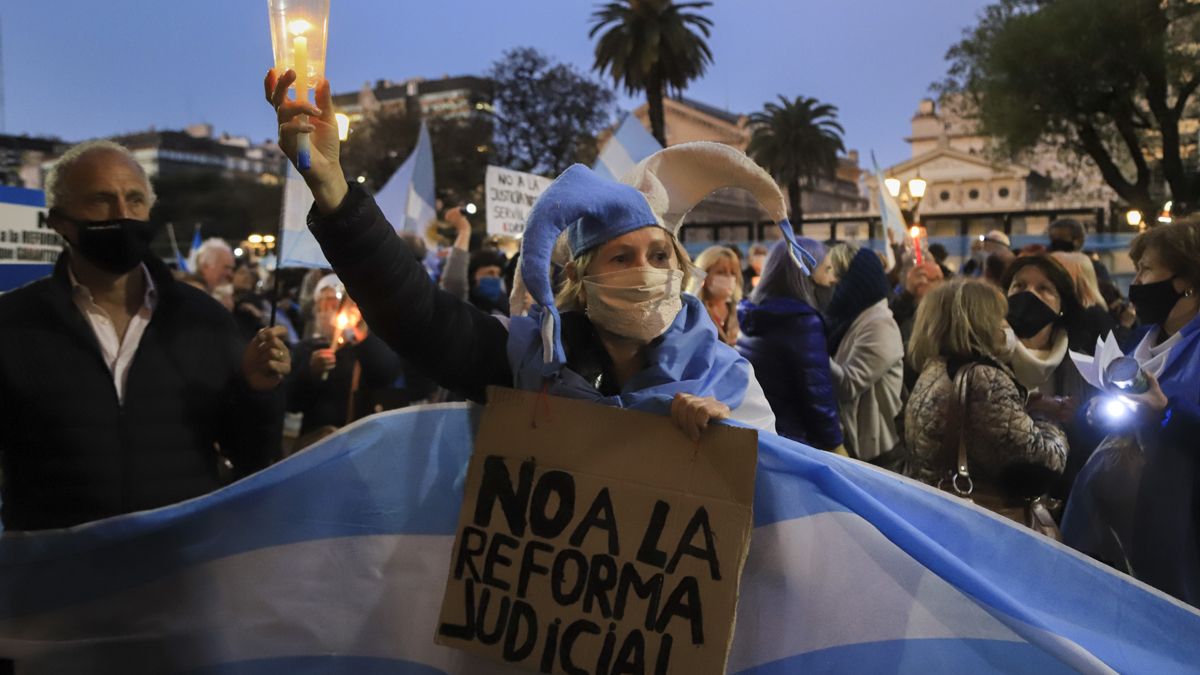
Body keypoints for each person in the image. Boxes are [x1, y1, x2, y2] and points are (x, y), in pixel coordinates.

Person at [266, 70, 795, 439]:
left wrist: (728, 439)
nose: (646, 274)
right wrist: (333, 187)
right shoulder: (528, 362)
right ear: (578, 280)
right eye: (621, 258)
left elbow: (778, 501)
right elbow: (418, 316)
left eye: (660, 257)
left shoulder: (728, 379)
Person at [0, 140, 291, 531]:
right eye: (102, 200)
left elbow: (252, 456)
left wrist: (259, 392)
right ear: (60, 222)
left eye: (135, 199)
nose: (123, 213)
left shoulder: (203, 319)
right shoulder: (14, 324)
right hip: (59, 577)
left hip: (180, 567)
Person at [1062, 221, 1200, 607]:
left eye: (1147, 269)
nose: (1136, 281)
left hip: (1181, 530)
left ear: (1185, 281)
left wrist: (1168, 415)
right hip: (1121, 523)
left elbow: (1175, 418)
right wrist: (1091, 413)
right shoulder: (1142, 338)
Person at [904, 279, 1068, 521]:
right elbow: (1042, 464)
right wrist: (1048, 420)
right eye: (999, 317)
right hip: (984, 521)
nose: (1006, 326)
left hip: (938, 512)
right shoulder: (983, 378)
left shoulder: (935, 368)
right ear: (981, 322)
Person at [736, 240, 843, 451]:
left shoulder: (755, 314)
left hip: (764, 433)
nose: (832, 279)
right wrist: (837, 445)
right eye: (827, 269)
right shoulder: (802, 322)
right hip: (794, 440)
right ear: (804, 274)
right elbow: (817, 395)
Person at [823, 243, 904, 462]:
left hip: (876, 452)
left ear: (855, 280)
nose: (831, 283)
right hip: (856, 443)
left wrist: (812, 351)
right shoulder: (849, 319)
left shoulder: (879, 324)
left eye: (836, 275)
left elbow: (848, 384)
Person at [690, 246, 743, 346]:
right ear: (703, 275)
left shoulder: (739, 311)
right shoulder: (692, 312)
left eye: (733, 273)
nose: (729, 278)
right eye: (721, 272)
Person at [1048, 217, 1111, 285]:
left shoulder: (1094, 268)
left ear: (1078, 241)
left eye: (1061, 239)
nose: (1055, 244)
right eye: (1052, 239)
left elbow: (1106, 291)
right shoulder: (1046, 266)